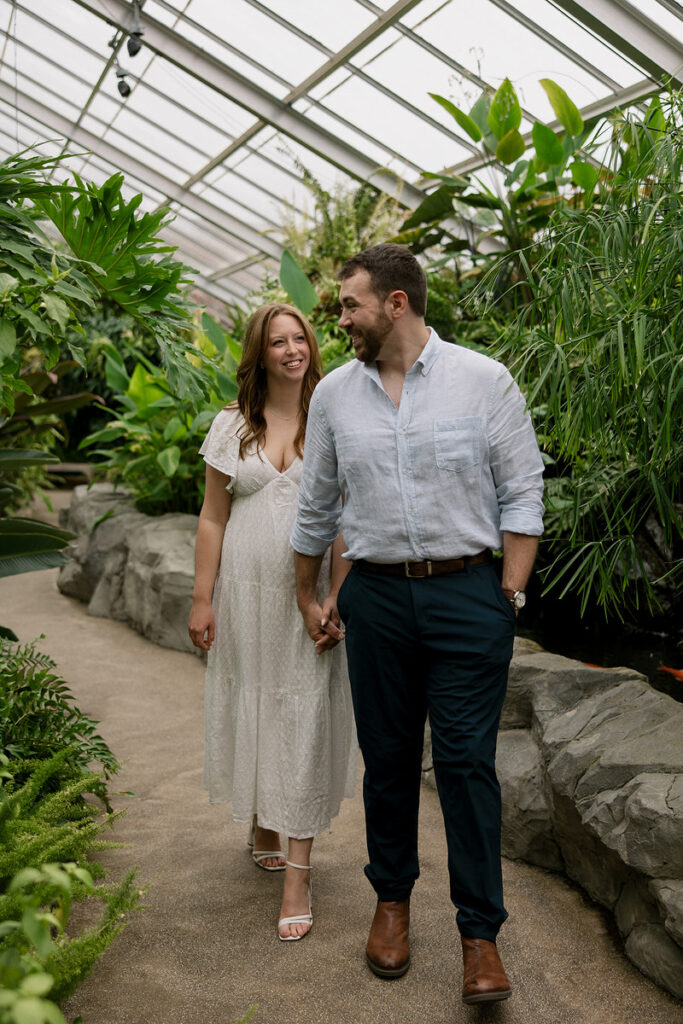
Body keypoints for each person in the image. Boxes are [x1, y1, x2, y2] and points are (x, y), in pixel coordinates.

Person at [291, 244, 544, 1001]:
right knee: (389, 761)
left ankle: (479, 937)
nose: (338, 320)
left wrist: (508, 591)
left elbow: (522, 491)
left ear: (396, 303)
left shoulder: (482, 380)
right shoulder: (335, 394)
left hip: (467, 596)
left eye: (349, 305)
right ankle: (391, 903)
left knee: (466, 766)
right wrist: (311, 593)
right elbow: (316, 503)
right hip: (376, 595)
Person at [189, 302, 356, 942]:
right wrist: (203, 598)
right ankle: (262, 813)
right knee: (255, 699)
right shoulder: (232, 426)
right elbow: (212, 516)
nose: (292, 350)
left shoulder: (335, 416)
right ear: (259, 354)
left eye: (300, 339)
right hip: (245, 594)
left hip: (310, 595)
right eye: (277, 342)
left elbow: (348, 514)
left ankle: (299, 873)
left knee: (306, 711)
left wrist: (336, 594)